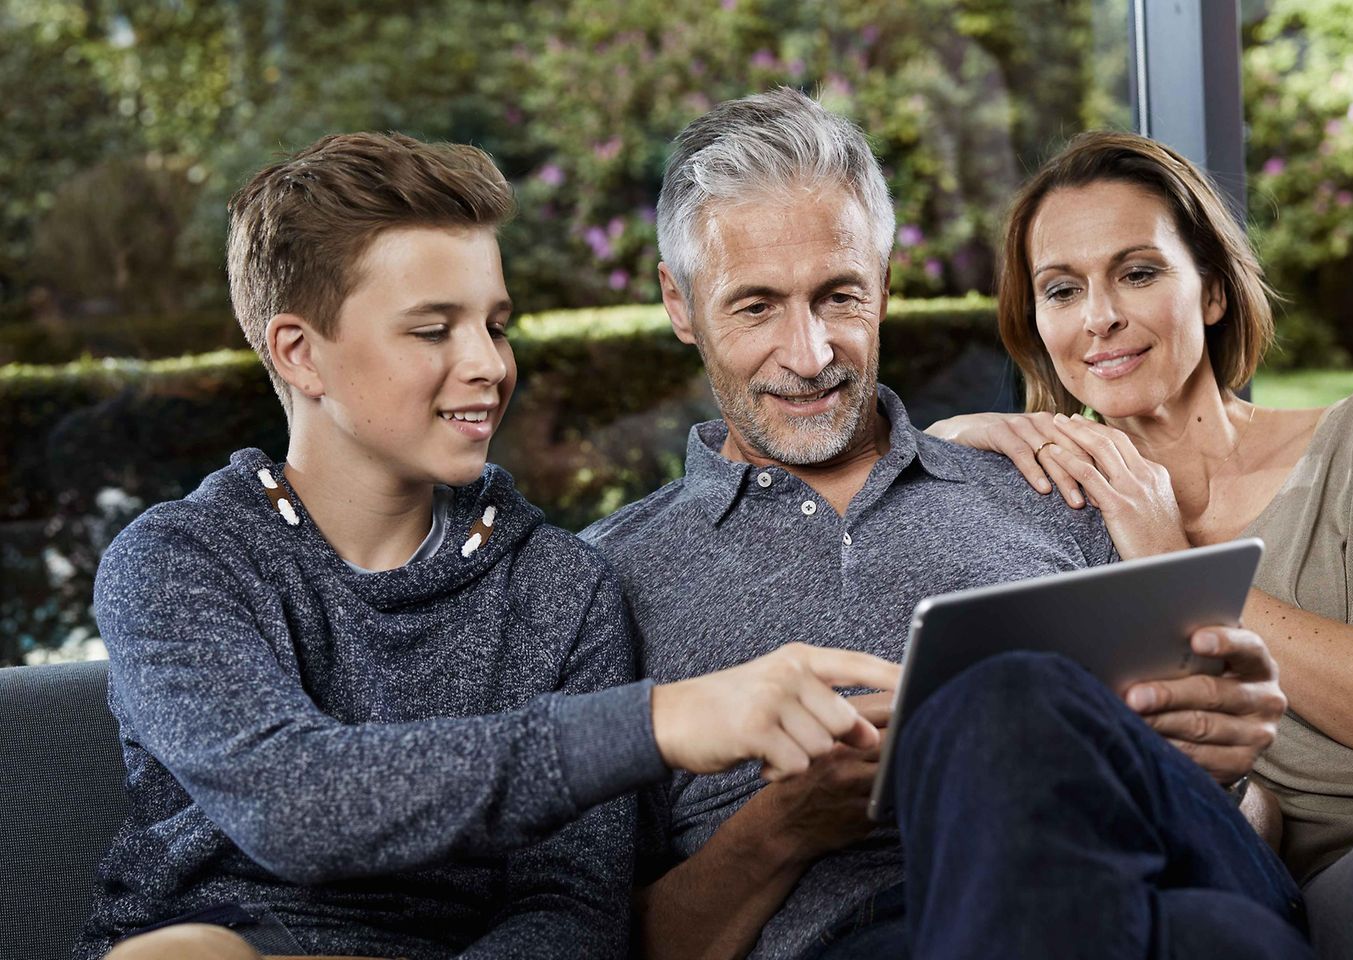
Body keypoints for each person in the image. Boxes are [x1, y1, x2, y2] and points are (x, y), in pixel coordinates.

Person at [76, 131, 900, 960]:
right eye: (434, 331)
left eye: (495, 325)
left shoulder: (560, 586)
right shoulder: (181, 562)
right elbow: (293, 802)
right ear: (300, 354)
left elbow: (571, 906)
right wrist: (658, 721)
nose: (487, 364)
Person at [582, 88, 1308, 960]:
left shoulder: (1051, 485)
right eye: (756, 306)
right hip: (882, 936)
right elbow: (605, 946)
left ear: (884, 288)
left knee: (1009, 699)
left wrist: (1226, 778)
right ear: (678, 303)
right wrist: (784, 826)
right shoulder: (604, 582)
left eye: (840, 296)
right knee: (1216, 938)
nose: (810, 355)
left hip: (1147, 869)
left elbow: (1251, 826)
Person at [927, 130, 1353, 960]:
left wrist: (1179, 566)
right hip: (1266, 889)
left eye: (1138, 272)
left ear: (1211, 291)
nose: (1100, 317)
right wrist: (944, 443)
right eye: (1061, 290)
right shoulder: (1055, 514)